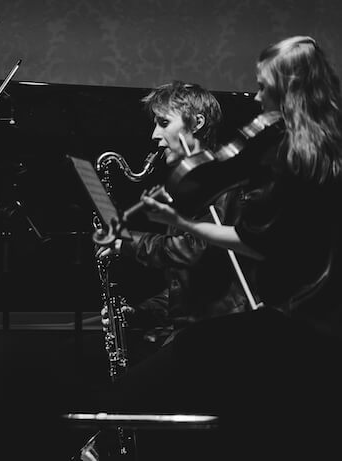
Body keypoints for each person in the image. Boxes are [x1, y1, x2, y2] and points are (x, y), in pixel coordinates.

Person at [95, 36, 342, 460]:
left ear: (291, 85)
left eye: (264, 86)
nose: (256, 95)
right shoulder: (312, 145)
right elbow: (259, 242)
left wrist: (171, 226)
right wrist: (179, 221)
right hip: (303, 313)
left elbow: (257, 245)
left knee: (150, 381)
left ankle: (95, 432)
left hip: (302, 317)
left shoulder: (295, 154)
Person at [95, 81, 251, 362]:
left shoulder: (223, 182)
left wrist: (126, 241)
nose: (155, 135)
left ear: (197, 123)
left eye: (164, 123)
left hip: (224, 339)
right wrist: (138, 313)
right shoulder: (191, 189)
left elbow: (193, 250)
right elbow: (192, 287)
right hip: (198, 333)